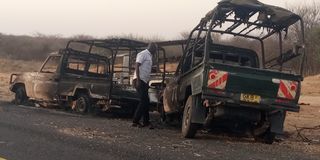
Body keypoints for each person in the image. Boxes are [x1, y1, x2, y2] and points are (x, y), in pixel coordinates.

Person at [132, 43, 157, 128]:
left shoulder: (149, 56)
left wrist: (147, 82)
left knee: (146, 101)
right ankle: (135, 121)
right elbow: (137, 65)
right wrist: (138, 80)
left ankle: (146, 122)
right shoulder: (143, 54)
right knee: (143, 101)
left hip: (144, 81)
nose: (155, 51)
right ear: (151, 48)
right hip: (139, 80)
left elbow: (146, 70)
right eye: (155, 49)